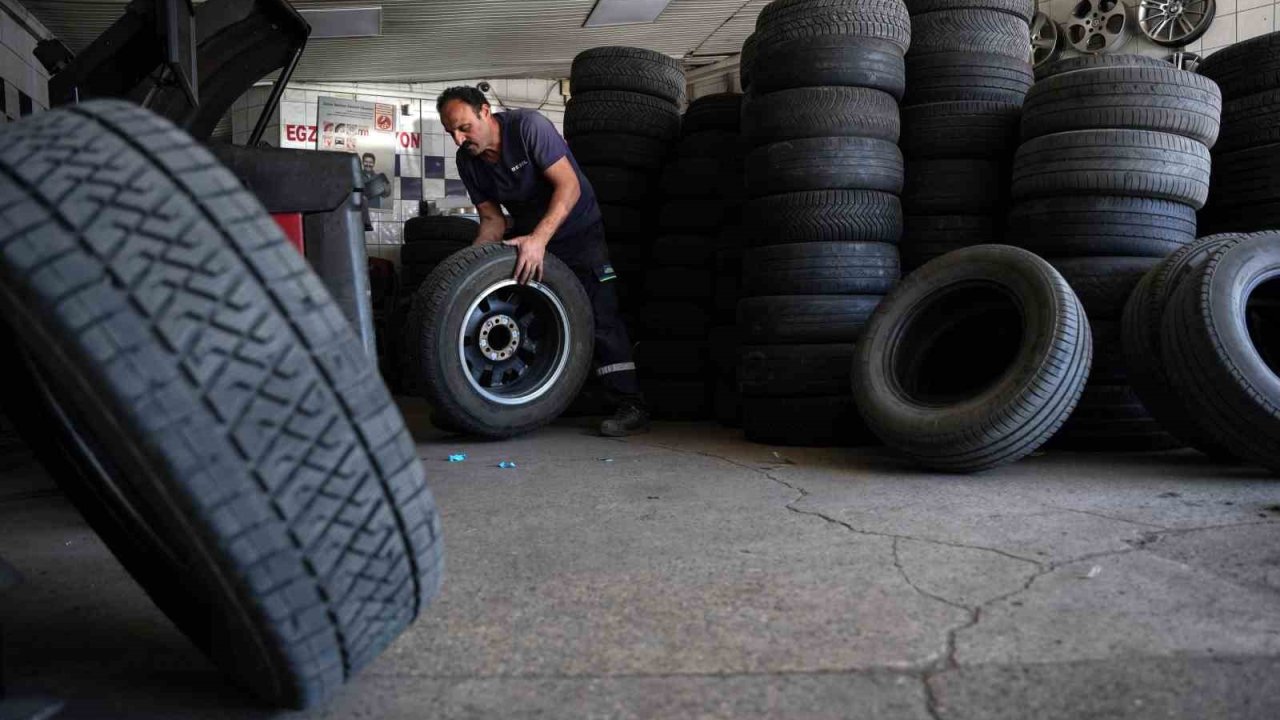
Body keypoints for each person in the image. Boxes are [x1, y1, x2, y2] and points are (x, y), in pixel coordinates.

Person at [437, 86, 648, 437]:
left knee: (600, 316)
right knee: (538, 316)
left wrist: (539, 239)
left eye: (463, 127)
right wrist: (460, 276)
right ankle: (516, 404)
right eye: (451, 133)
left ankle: (631, 403)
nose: (459, 139)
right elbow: (492, 222)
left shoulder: (528, 127)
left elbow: (569, 187)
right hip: (529, 236)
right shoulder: (468, 161)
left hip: (577, 232)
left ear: (485, 112)